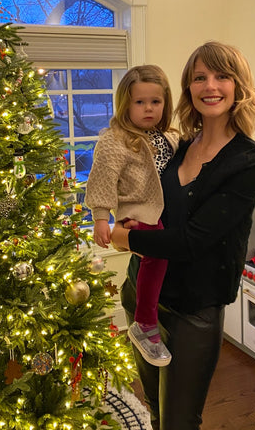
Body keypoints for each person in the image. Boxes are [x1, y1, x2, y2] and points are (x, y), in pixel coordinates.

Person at [111, 41, 255, 430]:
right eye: (199, 77)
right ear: (188, 88)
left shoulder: (250, 162)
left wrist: (124, 239)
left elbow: (192, 241)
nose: (210, 86)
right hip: (142, 295)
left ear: (238, 86)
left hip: (194, 311)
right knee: (153, 404)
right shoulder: (177, 146)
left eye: (222, 76)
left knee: (178, 421)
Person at [85, 65, 179, 366]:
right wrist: (101, 217)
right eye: (140, 102)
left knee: (165, 251)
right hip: (137, 211)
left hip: (166, 211)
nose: (149, 108)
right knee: (156, 253)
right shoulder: (115, 140)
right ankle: (144, 322)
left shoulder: (170, 135)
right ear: (126, 104)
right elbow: (102, 178)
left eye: (156, 102)